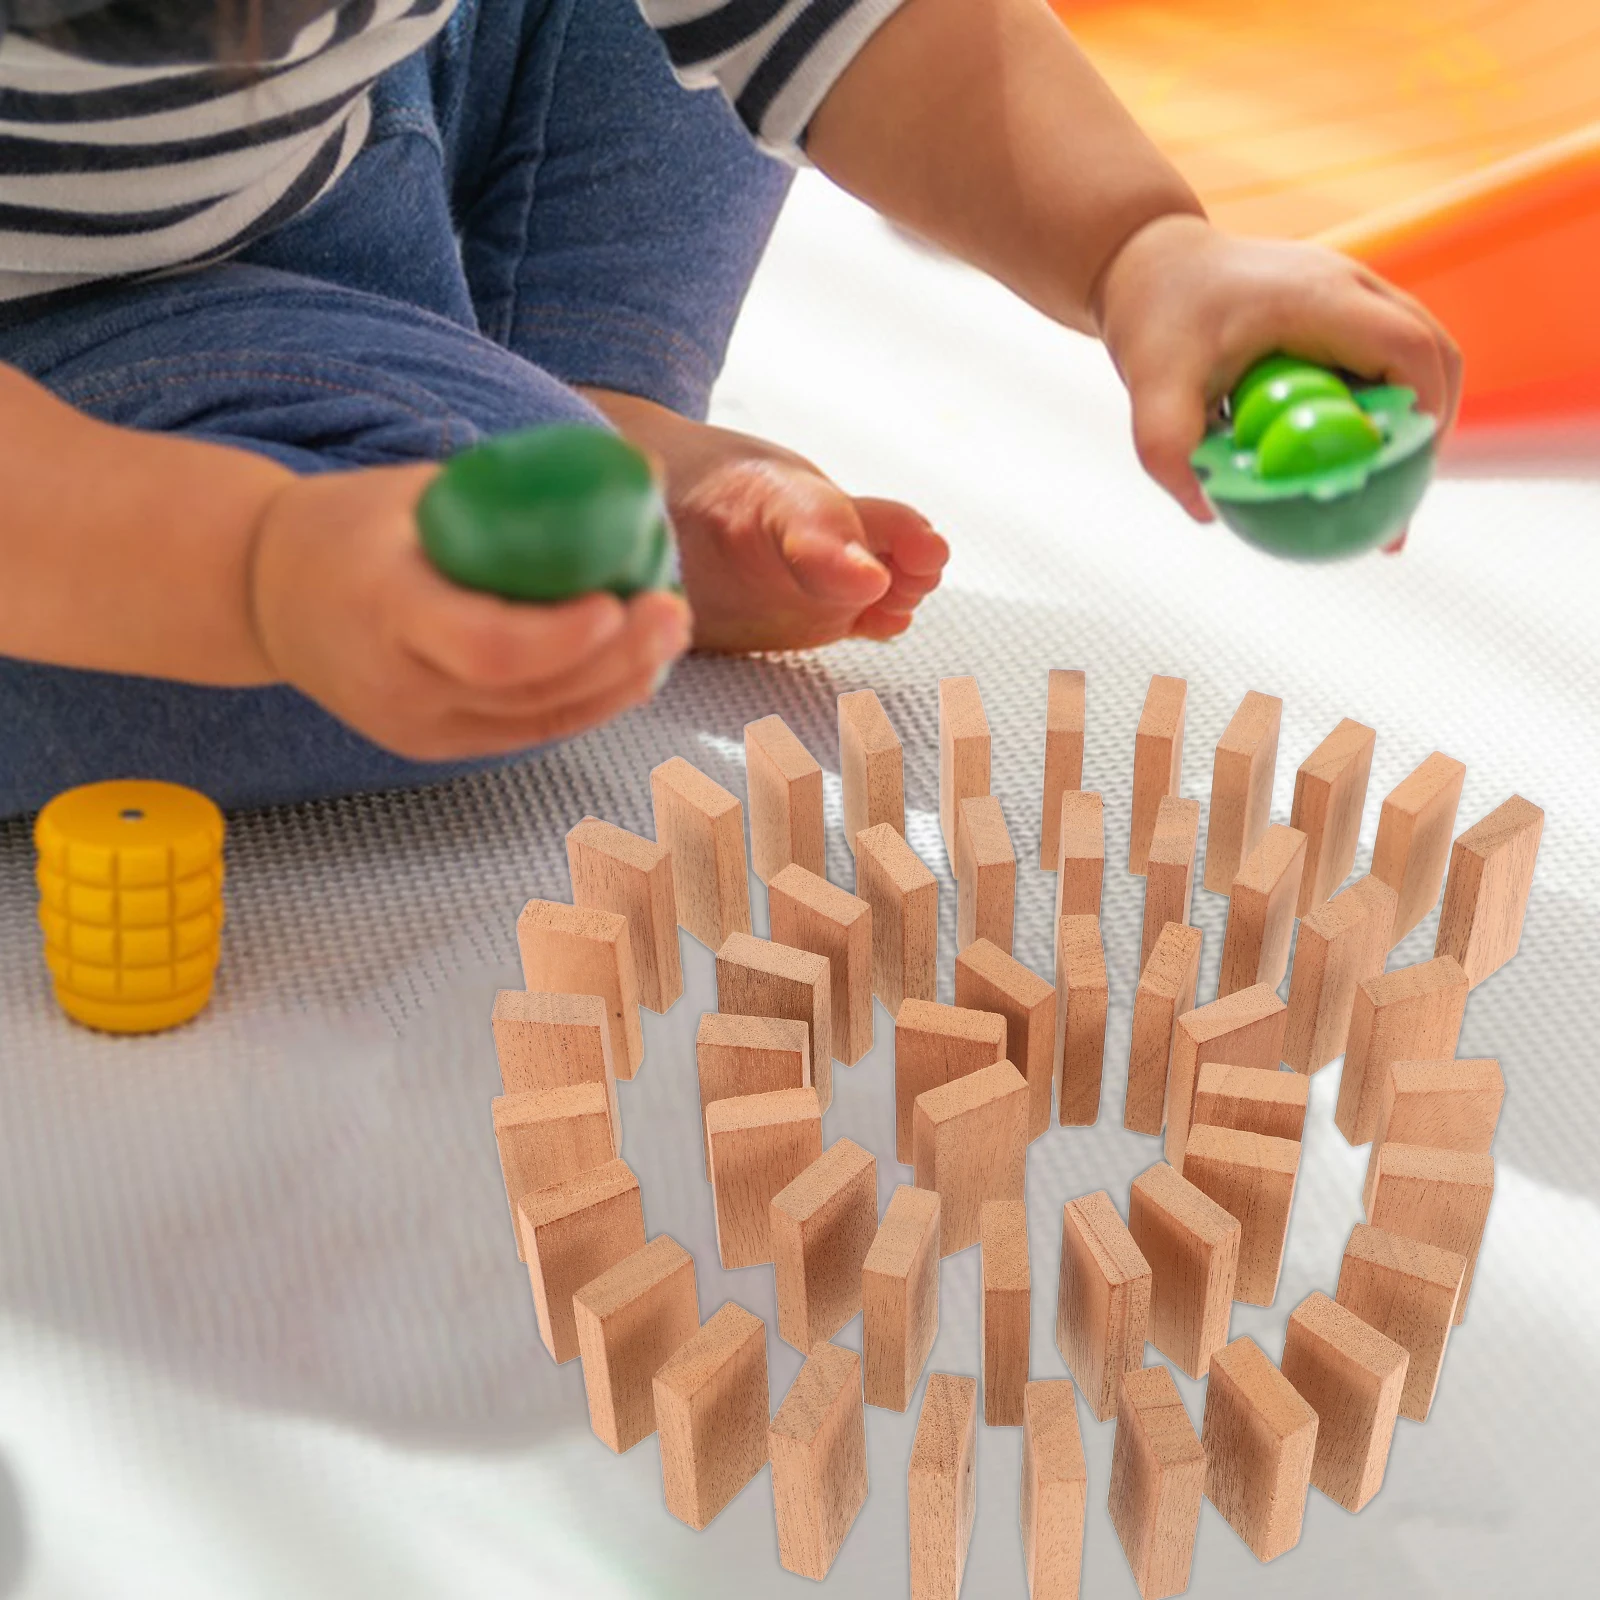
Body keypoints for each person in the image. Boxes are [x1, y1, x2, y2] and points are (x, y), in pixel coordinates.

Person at [0, 0, 1460, 817]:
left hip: (345, 141)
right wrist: (255, 570)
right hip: (67, 392)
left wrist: (1144, 253)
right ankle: (487, 468)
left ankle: (602, 397)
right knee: (483, 600)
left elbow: (861, 28)